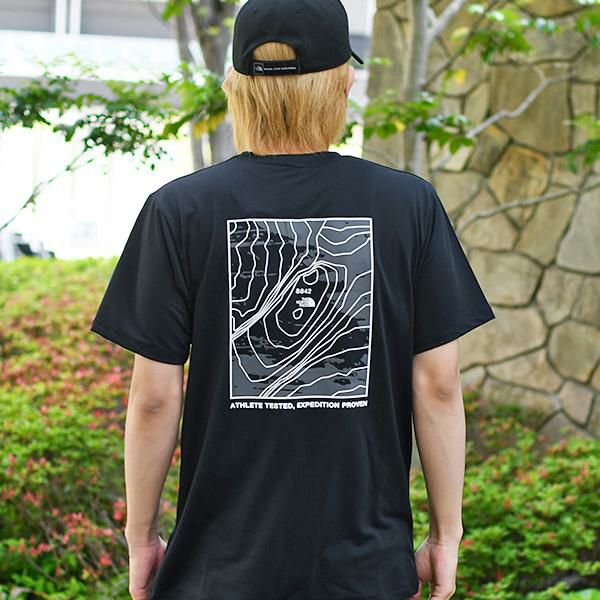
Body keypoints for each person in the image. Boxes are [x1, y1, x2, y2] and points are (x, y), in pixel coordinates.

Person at [89, 0, 496, 598]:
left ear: (235, 88)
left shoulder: (179, 210)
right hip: (365, 571)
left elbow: (154, 398)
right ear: (343, 83)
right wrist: (445, 535)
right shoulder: (409, 205)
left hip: (216, 573)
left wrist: (141, 538)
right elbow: (437, 385)